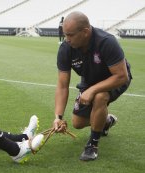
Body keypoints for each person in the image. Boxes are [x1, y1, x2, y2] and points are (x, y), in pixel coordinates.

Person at [52, 11, 132, 161]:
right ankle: (105, 120)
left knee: (100, 97)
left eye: (70, 35)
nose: (66, 39)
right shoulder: (65, 48)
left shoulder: (106, 41)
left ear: (85, 32)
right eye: (65, 35)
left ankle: (92, 145)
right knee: (77, 123)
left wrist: (93, 90)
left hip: (115, 78)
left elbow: (122, 76)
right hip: (90, 81)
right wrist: (58, 117)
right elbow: (62, 85)